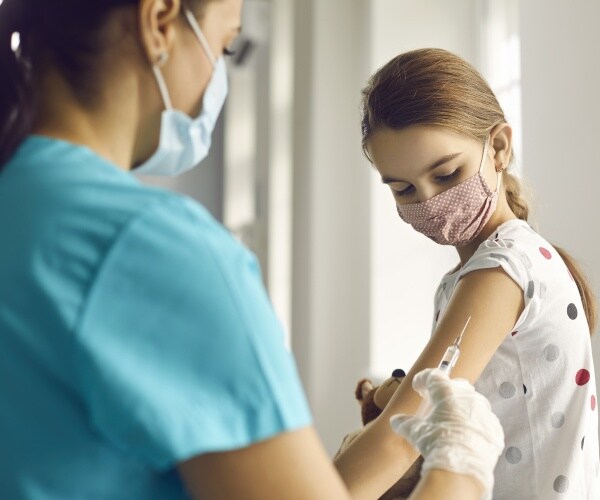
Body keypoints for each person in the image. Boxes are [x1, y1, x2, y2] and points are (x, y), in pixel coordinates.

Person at [0, 1, 504, 498]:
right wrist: (460, 468)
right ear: (158, 22)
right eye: (226, 44)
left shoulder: (22, 204)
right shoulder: (153, 252)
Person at [334, 47, 600, 499]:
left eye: (446, 174)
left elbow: (402, 434)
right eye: (402, 188)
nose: (427, 200)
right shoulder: (469, 276)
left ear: (497, 147)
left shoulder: (502, 271)